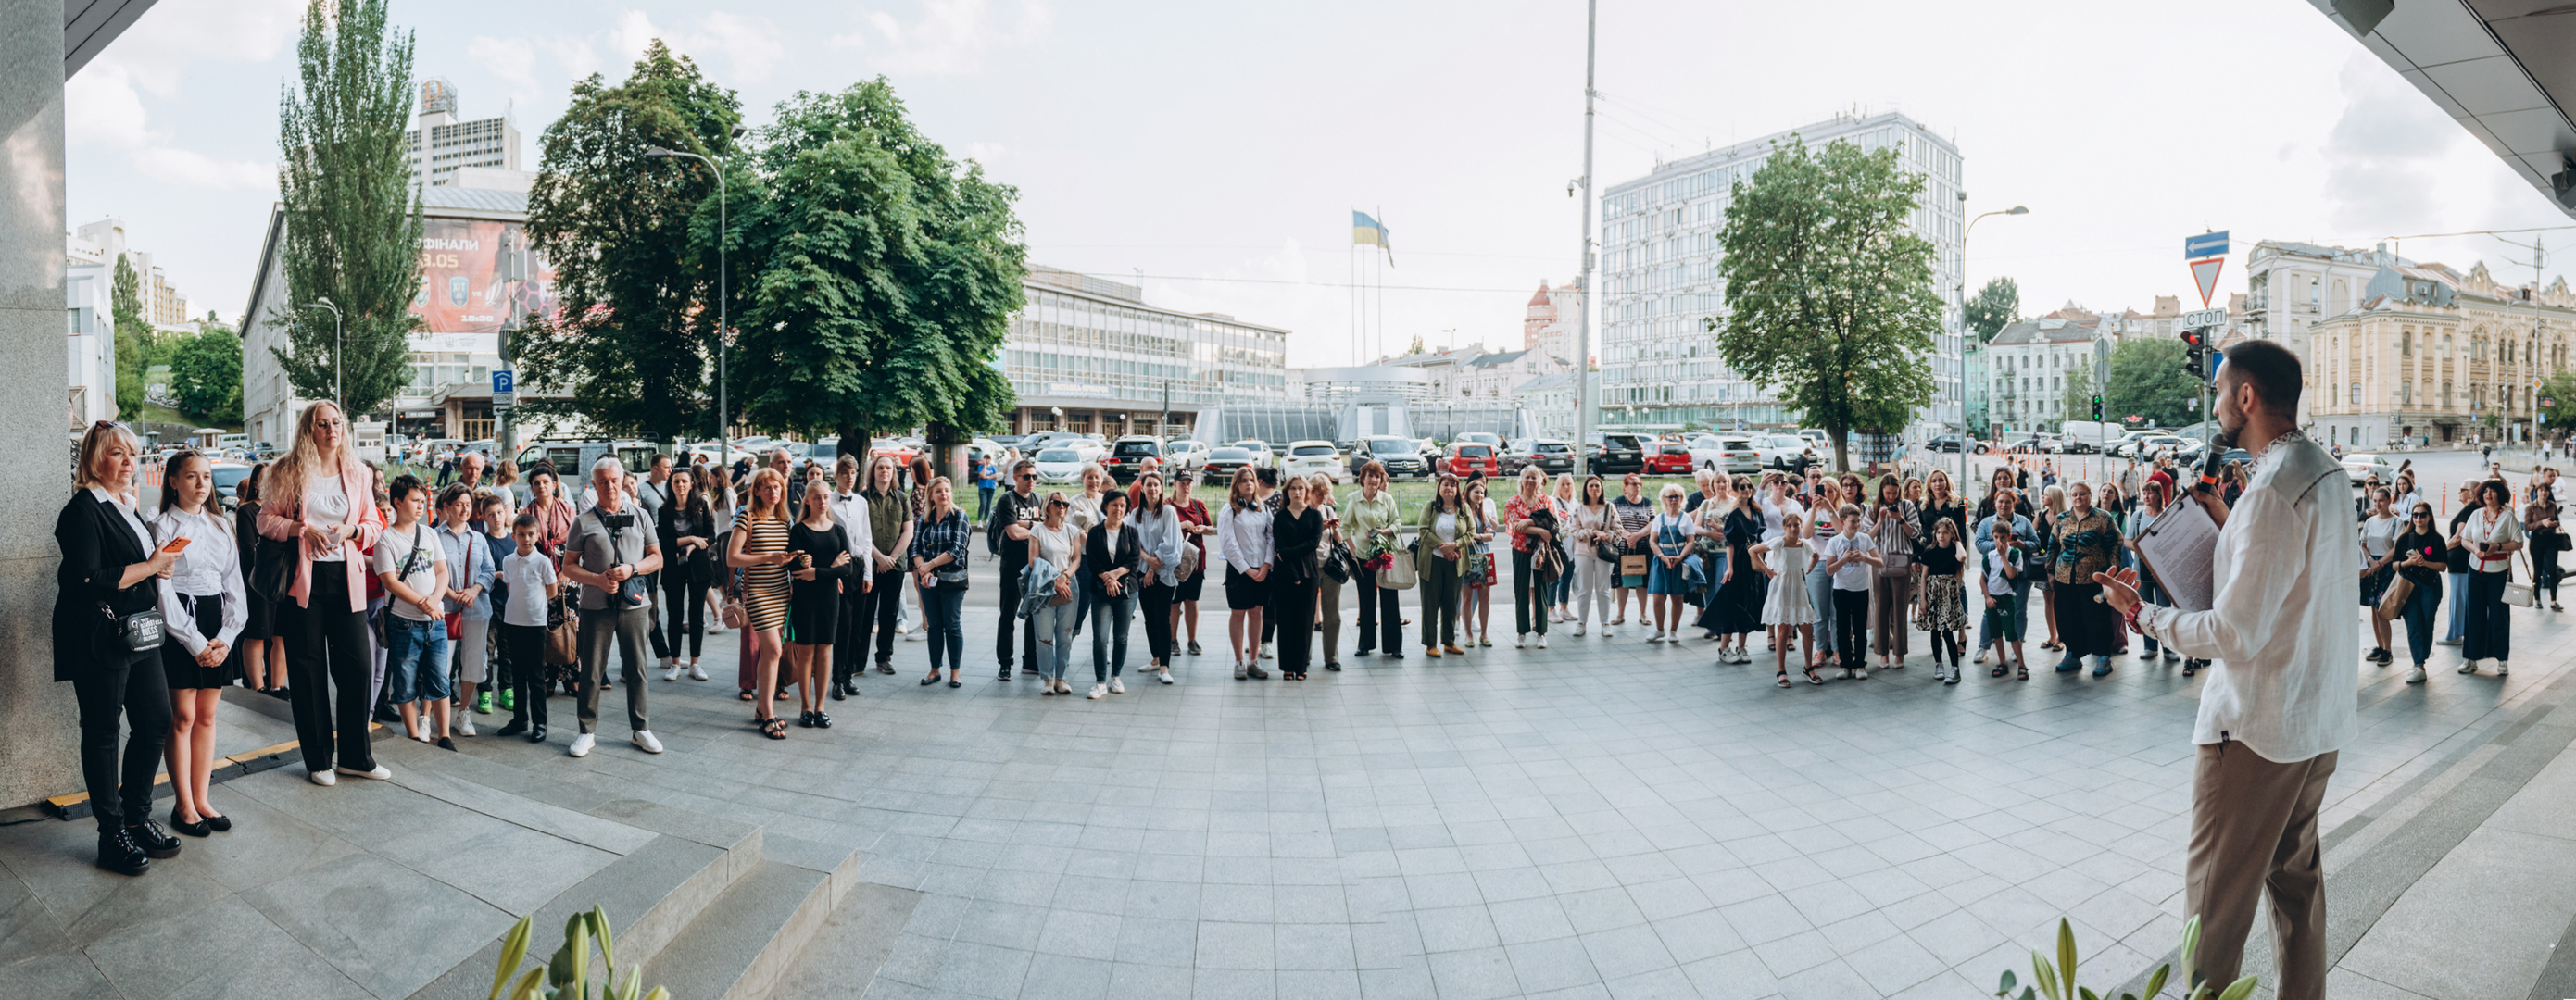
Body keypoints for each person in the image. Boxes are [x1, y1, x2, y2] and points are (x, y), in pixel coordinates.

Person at [2093, 339, 2356, 1000]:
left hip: (2253, 730)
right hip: (2313, 720)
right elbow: (2296, 588)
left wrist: (2141, 614)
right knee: (2296, 891)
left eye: (2218, 391)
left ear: (2246, 398)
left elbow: (2233, 634)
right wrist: (2222, 520)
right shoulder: (2323, 471)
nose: (2213, 404)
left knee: (2212, 908)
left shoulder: (2268, 491)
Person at [255, 403, 390, 788]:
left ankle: (355, 757)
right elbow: (265, 519)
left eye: (337, 423)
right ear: (308, 430)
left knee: (357, 668)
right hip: (303, 582)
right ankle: (318, 760)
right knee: (308, 670)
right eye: (322, 424)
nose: (332, 430)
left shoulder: (359, 472)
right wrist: (300, 529)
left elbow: (373, 524)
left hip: (347, 577)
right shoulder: (287, 471)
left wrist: (352, 533)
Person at [153, 450, 245, 838]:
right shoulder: (162, 527)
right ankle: (183, 804)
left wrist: (225, 638)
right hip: (181, 626)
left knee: (207, 717)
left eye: (206, 476)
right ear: (173, 481)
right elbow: (162, 591)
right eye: (192, 476)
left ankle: (203, 799)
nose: (201, 483)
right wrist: (194, 642)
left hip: (216, 623)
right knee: (183, 717)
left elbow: (235, 586)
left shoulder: (222, 526)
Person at [560, 457, 664, 757]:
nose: (610, 486)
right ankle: (586, 731)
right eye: (602, 481)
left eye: (614, 480)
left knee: (637, 668)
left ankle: (641, 729)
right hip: (595, 604)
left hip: (634, 604)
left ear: (622, 481)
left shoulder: (641, 515)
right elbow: (568, 566)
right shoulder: (583, 521)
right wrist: (597, 580)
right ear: (594, 485)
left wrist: (632, 568)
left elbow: (657, 557)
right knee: (592, 670)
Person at [375, 474, 454, 748]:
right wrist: (424, 603)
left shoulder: (430, 533)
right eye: (414, 500)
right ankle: (412, 736)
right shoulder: (387, 539)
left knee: (439, 679)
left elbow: (442, 571)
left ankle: (444, 735)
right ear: (398, 502)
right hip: (404, 623)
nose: (421, 506)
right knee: (405, 680)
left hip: (436, 621)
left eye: (423, 501)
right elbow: (390, 581)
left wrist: (434, 599)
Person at [785, 478, 858, 729]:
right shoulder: (799, 530)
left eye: (826, 497)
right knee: (806, 652)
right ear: (807, 500)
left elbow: (847, 569)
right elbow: (793, 567)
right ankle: (805, 707)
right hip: (805, 597)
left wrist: (817, 571)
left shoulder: (838, 531)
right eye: (817, 497)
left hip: (829, 597)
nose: (822, 501)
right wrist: (826, 568)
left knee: (825, 651)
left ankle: (820, 707)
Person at [434, 484, 496, 736]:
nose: (464, 509)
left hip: (475, 607)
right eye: (459, 504)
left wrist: (474, 590)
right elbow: (429, 570)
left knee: (473, 662)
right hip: (443, 608)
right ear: (447, 506)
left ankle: (463, 713)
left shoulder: (479, 538)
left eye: (468, 505)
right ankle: (431, 715)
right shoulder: (433, 536)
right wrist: (449, 591)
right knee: (440, 664)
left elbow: (489, 571)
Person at [496, 513, 559, 742]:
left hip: (535, 624)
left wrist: (536, 607)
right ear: (513, 536)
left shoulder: (542, 561)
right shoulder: (508, 560)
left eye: (531, 534)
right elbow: (511, 587)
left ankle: (540, 723)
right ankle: (519, 719)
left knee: (536, 675)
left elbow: (552, 591)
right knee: (517, 674)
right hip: (513, 622)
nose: (526, 539)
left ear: (537, 535)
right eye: (521, 535)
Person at [2049, 482, 2122, 677]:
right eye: (2074, 494)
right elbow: (2053, 546)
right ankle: (2072, 655)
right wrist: (2049, 572)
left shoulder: (2102, 518)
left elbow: (2115, 545)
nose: (2078, 498)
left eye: (2082, 494)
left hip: (2094, 579)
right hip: (2065, 578)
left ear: (2090, 496)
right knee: (2067, 618)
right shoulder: (2062, 519)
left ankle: (2103, 657)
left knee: (2097, 618)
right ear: (2070, 497)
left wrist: (2113, 574)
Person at [2457, 477, 2523, 677]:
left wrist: (2499, 547)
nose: (2488, 494)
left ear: (2500, 494)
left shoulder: (2508, 517)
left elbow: (2518, 543)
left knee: (2498, 616)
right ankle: (2470, 658)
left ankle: (2502, 659)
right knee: (2473, 615)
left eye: (2493, 491)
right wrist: (2475, 550)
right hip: (2475, 570)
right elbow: (2464, 539)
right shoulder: (2476, 514)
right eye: (2485, 491)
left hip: (2499, 573)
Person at [911, 476, 974, 687]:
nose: (944, 494)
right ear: (931, 495)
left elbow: (957, 550)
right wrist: (923, 571)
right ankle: (934, 669)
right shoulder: (923, 519)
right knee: (934, 625)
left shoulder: (960, 517)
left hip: (952, 578)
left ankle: (955, 672)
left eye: (947, 490)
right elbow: (915, 550)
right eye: (939, 491)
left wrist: (929, 566)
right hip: (928, 579)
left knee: (952, 625)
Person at [657, 466, 716, 682]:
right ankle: (675, 663)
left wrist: (695, 546)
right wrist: (690, 539)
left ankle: (695, 663)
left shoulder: (700, 506)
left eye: (684, 481)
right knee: (674, 615)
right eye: (676, 482)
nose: (680, 485)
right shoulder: (664, 511)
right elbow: (663, 542)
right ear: (671, 486)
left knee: (696, 616)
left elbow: (711, 536)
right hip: (674, 567)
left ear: (692, 484)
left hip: (698, 566)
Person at [232, 463, 287, 697]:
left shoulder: (284, 511)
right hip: (257, 583)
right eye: (264, 479)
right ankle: (258, 687)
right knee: (256, 633)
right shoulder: (247, 511)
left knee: (281, 635)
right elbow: (248, 549)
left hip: (283, 581)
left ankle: (278, 686)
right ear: (255, 483)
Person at [986, 458, 1042, 681]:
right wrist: (1034, 526)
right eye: (1027, 476)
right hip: (1011, 567)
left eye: (1034, 476)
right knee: (1008, 615)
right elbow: (1013, 533)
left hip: (1034, 565)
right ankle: (1005, 664)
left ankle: (1030, 661)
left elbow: (1047, 528)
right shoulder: (1006, 500)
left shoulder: (1038, 499)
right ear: (1015, 477)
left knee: (1033, 615)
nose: (1031, 481)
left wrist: (1028, 526)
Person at [857, 456, 911, 675]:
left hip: (895, 567)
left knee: (889, 614)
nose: (884, 471)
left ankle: (884, 658)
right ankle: (858, 661)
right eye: (880, 467)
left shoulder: (902, 498)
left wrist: (891, 559)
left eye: (888, 468)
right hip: (868, 566)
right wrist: (879, 558)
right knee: (865, 615)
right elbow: (858, 533)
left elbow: (908, 531)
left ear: (893, 472)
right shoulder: (861, 499)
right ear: (873, 471)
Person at [1700, 474, 1764, 664]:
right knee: (1730, 604)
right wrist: (1729, 567)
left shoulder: (1756, 511)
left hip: (1752, 562)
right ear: (1735, 491)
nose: (1747, 491)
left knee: (1748, 604)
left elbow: (1760, 537)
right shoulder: (1734, 514)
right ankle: (1723, 648)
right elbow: (1730, 543)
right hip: (1736, 562)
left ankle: (1742, 647)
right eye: (1742, 487)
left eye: (1749, 487)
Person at [1218, 467, 1275, 679]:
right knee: (1239, 613)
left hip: (1262, 570)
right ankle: (1238, 661)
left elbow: (1270, 537)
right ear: (1237, 485)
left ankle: (1253, 661)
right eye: (1243, 480)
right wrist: (1248, 570)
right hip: (1240, 571)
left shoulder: (1262, 508)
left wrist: (1266, 565)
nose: (1248, 484)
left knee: (1256, 612)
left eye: (1251, 480)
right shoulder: (1229, 510)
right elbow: (1228, 544)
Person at [1345, 462, 1404, 659]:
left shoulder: (1387, 499)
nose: (1374, 479)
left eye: (1378, 476)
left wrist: (1383, 532)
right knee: (1367, 600)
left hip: (1385, 555)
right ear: (1362, 478)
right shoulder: (1354, 499)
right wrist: (1353, 550)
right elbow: (1344, 528)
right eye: (1370, 475)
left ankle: (1394, 646)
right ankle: (1365, 645)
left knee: (1390, 601)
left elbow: (1397, 524)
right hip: (1363, 557)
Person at [1026, 492, 1083, 695]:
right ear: (1047, 506)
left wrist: (1064, 577)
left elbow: (1076, 559)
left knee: (1065, 635)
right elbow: (1033, 561)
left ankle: (1061, 677)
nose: (1061, 507)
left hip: (1069, 584)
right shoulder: (1037, 530)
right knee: (1044, 636)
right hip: (1044, 586)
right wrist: (1054, 579)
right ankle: (1047, 678)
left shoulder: (1071, 530)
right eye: (1057, 503)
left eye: (1065, 504)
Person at [1268, 477, 1325, 681]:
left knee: (1305, 621)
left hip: (1309, 574)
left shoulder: (1315, 515)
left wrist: (1289, 552)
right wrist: (1292, 571)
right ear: (1287, 492)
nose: (1297, 492)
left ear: (1307, 491)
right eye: (1293, 488)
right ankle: (1287, 667)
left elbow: (1313, 543)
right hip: (1284, 575)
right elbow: (1279, 549)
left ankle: (1301, 666)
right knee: (1285, 621)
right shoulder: (1280, 517)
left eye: (1301, 488)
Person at [1979, 487, 2037, 681]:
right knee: (1996, 632)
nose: (1999, 541)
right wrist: (1987, 596)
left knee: (2012, 631)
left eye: (2003, 538)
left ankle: (2021, 664)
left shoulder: (2014, 551)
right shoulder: (1989, 551)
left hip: (2008, 596)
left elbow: (2012, 574)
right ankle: (2001, 661)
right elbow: (1983, 577)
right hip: (1993, 597)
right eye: (1995, 538)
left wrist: (2012, 550)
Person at [1131, 471, 1184, 683]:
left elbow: (1171, 543)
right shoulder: (1135, 514)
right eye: (1148, 485)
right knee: (1149, 618)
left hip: (1163, 574)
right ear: (1142, 489)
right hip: (1142, 573)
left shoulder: (1168, 512)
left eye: (1156, 485)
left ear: (1161, 489)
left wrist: (1154, 568)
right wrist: (1145, 560)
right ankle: (1155, 658)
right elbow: (1132, 543)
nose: (1152, 488)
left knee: (1162, 619)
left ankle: (1164, 667)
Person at [1819, 504, 1880, 680]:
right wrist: (1844, 559)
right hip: (1841, 590)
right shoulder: (1834, 541)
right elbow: (1829, 570)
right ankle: (1845, 665)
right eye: (1853, 521)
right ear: (1842, 522)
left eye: (1858, 521)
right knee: (1842, 629)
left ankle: (1860, 664)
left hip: (1861, 589)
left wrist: (1863, 557)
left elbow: (1879, 562)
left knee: (1860, 629)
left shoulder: (1865, 539)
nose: (1857, 525)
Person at [1757, 510, 1817, 686]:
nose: (1793, 528)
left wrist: (1808, 570)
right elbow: (1753, 550)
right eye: (1789, 525)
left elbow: (1816, 556)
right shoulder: (1779, 543)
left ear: (1800, 526)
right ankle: (1781, 670)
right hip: (1781, 589)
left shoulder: (1803, 544)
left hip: (1798, 588)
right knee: (1783, 631)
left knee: (1807, 629)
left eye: (1796, 525)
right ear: (1784, 527)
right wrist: (1767, 570)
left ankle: (1808, 667)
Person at [1503, 467, 1560, 649]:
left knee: (1541, 591)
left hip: (1542, 551)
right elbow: (1515, 527)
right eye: (1527, 477)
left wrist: (1528, 521)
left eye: (1534, 478)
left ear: (1540, 481)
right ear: (1521, 480)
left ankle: (1541, 632)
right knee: (1521, 592)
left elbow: (1552, 524)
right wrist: (1539, 528)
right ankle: (1521, 632)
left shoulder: (1546, 500)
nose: (1530, 481)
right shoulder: (1512, 502)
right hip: (1520, 550)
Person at [2391, 502, 2447, 683]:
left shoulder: (2437, 539)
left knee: (2427, 622)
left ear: (2429, 517)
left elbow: (2443, 566)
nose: (2418, 518)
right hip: (2408, 586)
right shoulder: (2404, 539)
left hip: (2430, 586)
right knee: (2413, 624)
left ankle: (2421, 658)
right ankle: (2419, 664)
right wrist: (2408, 564)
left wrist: (2424, 563)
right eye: (2415, 515)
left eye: (2422, 515)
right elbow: (2394, 565)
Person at [1867, 477, 1916, 669]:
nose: (1891, 497)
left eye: (1895, 493)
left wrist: (1901, 520)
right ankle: (1883, 653)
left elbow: (1915, 533)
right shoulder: (1872, 508)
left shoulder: (1907, 505)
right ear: (1882, 491)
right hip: (1879, 561)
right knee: (1881, 609)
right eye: (1888, 493)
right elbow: (1866, 537)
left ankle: (1900, 653)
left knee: (1900, 609)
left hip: (1901, 560)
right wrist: (1880, 522)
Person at [1916, 516, 1968, 683]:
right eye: (1938, 532)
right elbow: (1923, 577)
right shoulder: (1930, 552)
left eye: (1945, 532)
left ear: (1952, 533)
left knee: (1947, 632)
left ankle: (1954, 668)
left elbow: (1962, 557)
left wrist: (1957, 541)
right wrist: (1922, 600)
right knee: (1934, 630)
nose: (1941, 536)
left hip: (1949, 594)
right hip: (1932, 593)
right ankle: (1939, 664)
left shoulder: (1955, 549)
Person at [1641, 483, 1697, 643]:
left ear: (1681, 499)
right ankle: (1659, 629)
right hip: (1662, 561)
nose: (1673, 500)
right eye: (1670, 497)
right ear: (1664, 500)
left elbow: (1690, 541)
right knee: (1658, 598)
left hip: (1679, 561)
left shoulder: (1686, 518)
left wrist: (1680, 557)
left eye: (1676, 496)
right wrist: (1662, 557)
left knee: (1677, 598)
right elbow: (1653, 542)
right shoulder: (1659, 518)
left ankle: (1673, 630)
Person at [1169, 469, 1213, 657]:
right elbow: (1161, 529)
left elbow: (1210, 528)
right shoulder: (1168, 505)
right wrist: (1180, 526)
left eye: (1189, 483)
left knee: (1192, 601)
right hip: (1175, 562)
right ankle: (1172, 640)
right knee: (1174, 602)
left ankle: (1192, 639)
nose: (1186, 487)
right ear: (1174, 484)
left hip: (1196, 561)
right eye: (1182, 483)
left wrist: (1202, 528)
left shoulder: (1198, 505)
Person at [1307, 471, 1347, 671]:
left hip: (1329, 567)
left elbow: (1338, 540)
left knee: (1332, 615)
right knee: (1305, 613)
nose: (1321, 497)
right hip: (1309, 568)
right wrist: (1318, 528)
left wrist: (1335, 528)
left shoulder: (1329, 511)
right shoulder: (1303, 511)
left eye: (1325, 493)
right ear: (1310, 492)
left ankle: (1331, 657)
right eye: (1317, 493)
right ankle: (1304, 655)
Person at [2357, 488, 2401, 666]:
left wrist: (2380, 563)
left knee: (2382, 610)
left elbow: (2396, 548)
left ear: (2389, 501)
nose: (2377, 504)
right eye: (2375, 501)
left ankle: (2388, 650)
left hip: (2386, 568)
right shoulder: (2370, 521)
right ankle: (2380, 646)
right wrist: (2370, 560)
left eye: (2381, 501)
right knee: (2373, 610)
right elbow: (2363, 544)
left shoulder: (2396, 522)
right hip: (2371, 567)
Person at [1568, 475, 1615, 637]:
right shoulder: (1579, 508)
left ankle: (1605, 623)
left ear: (1601, 488)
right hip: (1583, 552)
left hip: (1603, 552)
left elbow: (1619, 530)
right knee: (1584, 589)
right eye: (1591, 486)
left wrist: (1606, 535)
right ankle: (1581, 623)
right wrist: (1592, 532)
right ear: (1586, 489)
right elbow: (1574, 530)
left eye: (1597, 486)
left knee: (1603, 589)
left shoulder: (1609, 507)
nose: (1594, 489)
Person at [1609, 473, 1654, 629]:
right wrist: (1629, 537)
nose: (1637, 487)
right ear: (1625, 486)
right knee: (1623, 581)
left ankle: (1643, 613)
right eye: (1633, 484)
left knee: (1643, 581)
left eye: (1639, 484)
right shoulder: (1617, 502)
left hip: (1643, 546)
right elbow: (1614, 522)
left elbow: (1653, 522)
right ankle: (1620, 614)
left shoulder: (1648, 503)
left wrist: (1638, 536)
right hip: (1623, 546)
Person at [1459, 479, 1499, 647]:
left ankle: (1484, 633)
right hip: (1467, 558)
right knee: (1467, 597)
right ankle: (1468, 634)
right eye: (1476, 492)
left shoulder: (1482, 513)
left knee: (1485, 597)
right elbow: (1463, 537)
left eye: (1482, 492)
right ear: (1468, 493)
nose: (1480, 495)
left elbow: (1492, 534)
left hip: (1483, 559)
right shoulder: (1461, 512)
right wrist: (1481, 536)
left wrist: (1478, 536)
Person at [2440, 481, 2479, 646]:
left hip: (2461, 562)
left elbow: (2458, 538)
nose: (2459, 492)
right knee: (2460, 598)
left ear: (2471, 492)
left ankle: (2455, 634)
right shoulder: (2470, 510)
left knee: (2458, 599)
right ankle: (2457, 632)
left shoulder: (2470, 509)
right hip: (2460, 562)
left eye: (2462, 489)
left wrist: (2440, 551)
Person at [2527, 481, 2563, 612]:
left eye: (2546, 490)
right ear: (2536, 492)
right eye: (2541, 490)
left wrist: (2553, 524)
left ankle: (2553, 600)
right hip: (2536, 540)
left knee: (2552, 570)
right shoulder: (2530, 507)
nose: (2543, 492)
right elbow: (2527, 526)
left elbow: (2557, 520)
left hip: (2551, 540)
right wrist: (2542, 523)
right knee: (2537, 572)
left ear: (2549, 492)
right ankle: (2537, 599)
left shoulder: (2552, 505)